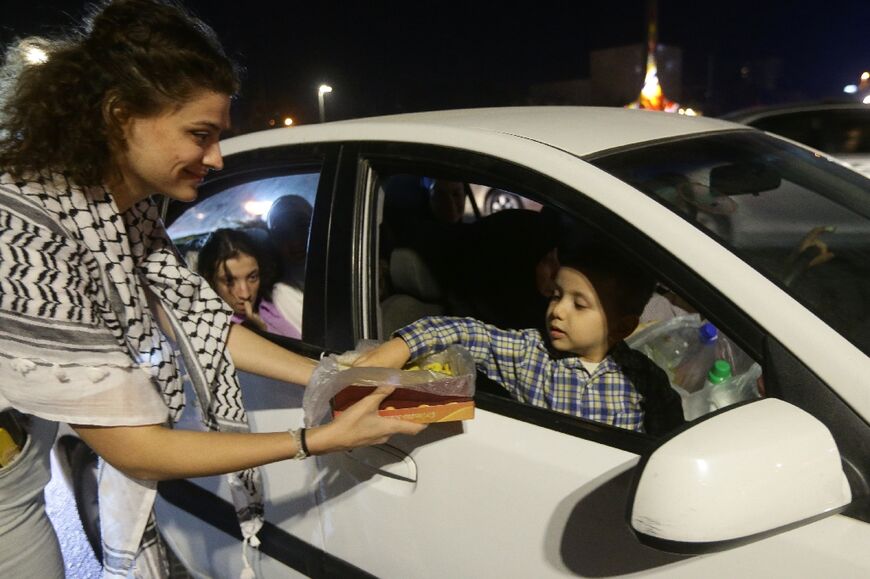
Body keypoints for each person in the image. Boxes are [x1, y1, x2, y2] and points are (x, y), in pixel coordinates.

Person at [0, 2, 423, 577]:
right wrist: (317, 438)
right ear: (119, 115)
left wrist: (333, 374)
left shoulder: (122, 211)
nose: (216, 158)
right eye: (200, 135)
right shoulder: (25, 228)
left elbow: (197, 319)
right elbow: (135, 447)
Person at [355, 242, 685, 435]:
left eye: (579, 304)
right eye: (556, 296)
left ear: (621, 328)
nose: (558, 311)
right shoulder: (531, 353)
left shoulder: (645, 381)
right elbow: (470, 332)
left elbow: (668, 439)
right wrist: (404, 345)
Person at [197, 228, 300, 338]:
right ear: (210, 280)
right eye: (229, 281)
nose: (245, 294)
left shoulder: (267, 305)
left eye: (252, 277)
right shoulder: (215, 329)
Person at [267, 194, 313, 332]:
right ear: (275, 242)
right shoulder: (285, 293)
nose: (295, 242)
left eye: (301, 228)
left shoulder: (340, 264)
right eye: (284, 234)